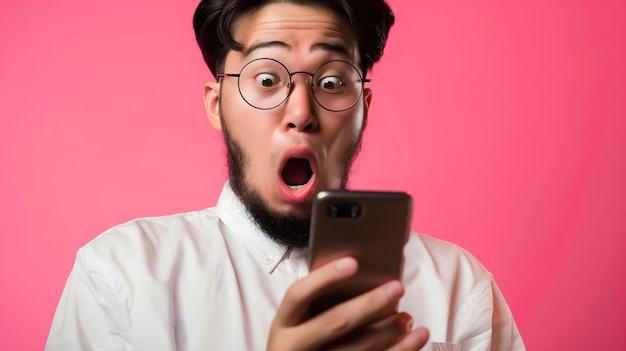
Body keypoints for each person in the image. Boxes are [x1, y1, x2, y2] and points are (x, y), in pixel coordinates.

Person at [46, 0, 525, 350]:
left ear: (363, 107)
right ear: (218, 107)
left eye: (332, 82)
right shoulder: (122, 276)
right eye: (268, 79)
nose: (301, 111)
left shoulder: (459, 288)